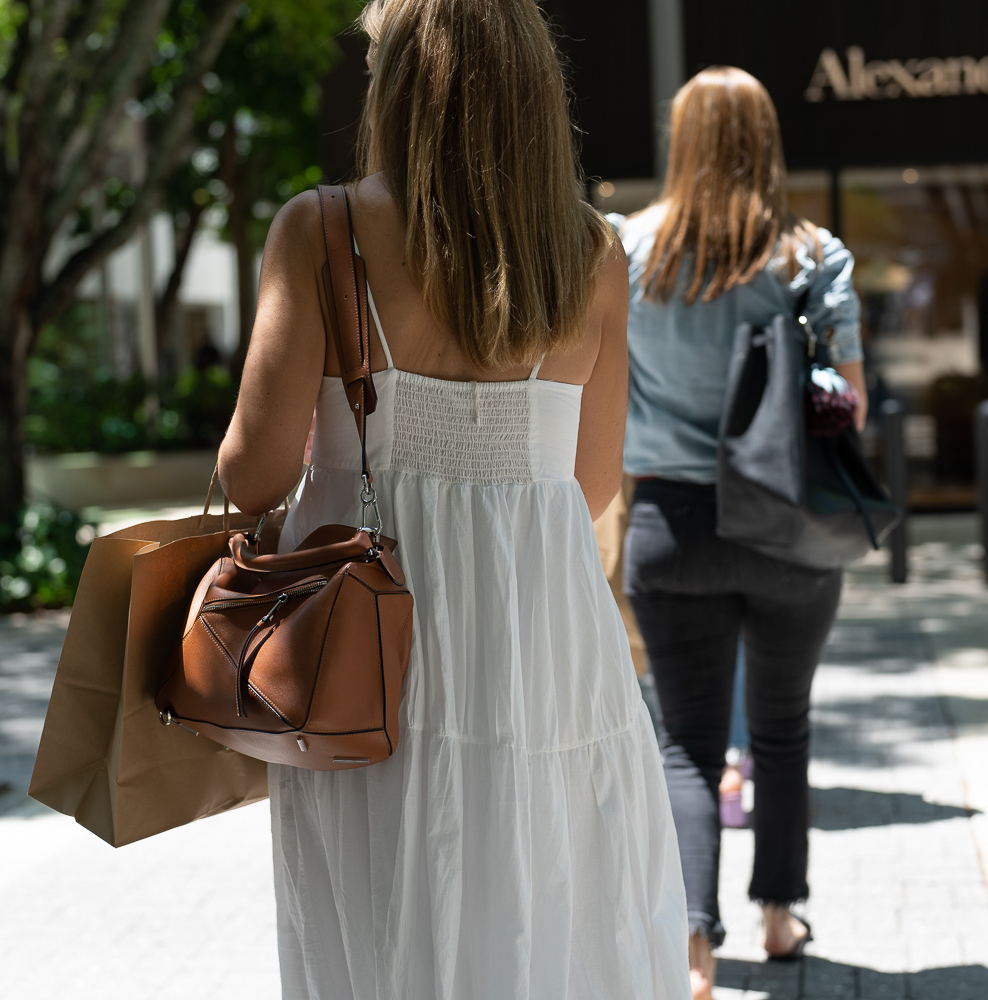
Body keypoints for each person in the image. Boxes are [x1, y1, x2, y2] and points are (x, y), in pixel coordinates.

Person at [217, 2, 690, 998]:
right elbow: (591, 485)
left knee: (386, 908)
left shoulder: (323, 230)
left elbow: (249, 478)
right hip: (544, 645)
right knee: (550, 891)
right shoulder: (593, 253)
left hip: (364, 654)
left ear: (398, 85)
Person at [610, 66, 866, 1000]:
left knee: (686, 743)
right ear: (766, 141)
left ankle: (693, 951)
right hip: (789, 526)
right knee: (783, 730)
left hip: (668, 524)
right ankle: (778, 915)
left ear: (682, 141)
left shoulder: (627, 251)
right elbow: (853, 405)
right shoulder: (813, 258)